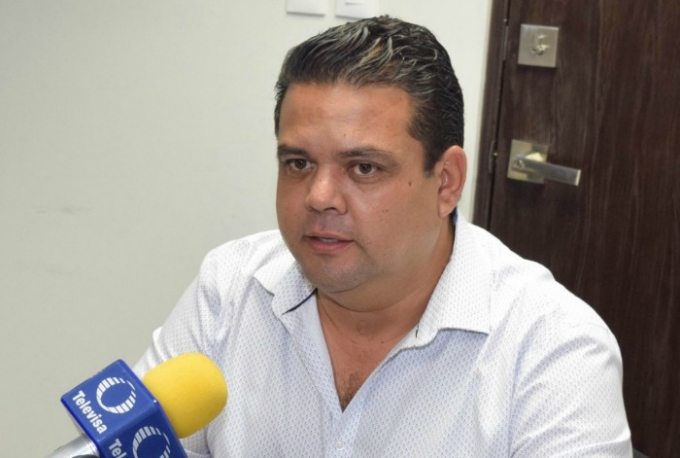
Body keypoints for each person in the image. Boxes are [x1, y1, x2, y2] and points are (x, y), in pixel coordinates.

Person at [135, 16, 632, 456]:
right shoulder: (229, 290)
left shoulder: (554, 349)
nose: (319, 197)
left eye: (364, 167)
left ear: (446, 182)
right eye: (299, 163)